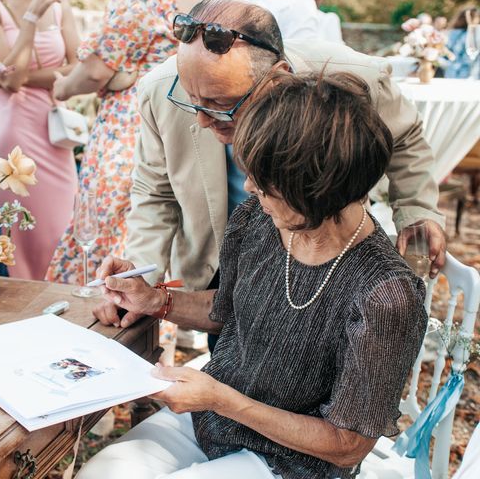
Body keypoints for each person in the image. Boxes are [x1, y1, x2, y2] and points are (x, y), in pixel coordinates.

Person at [82, 70, 428, 479]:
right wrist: (155, 300)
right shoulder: (257, 221)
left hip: (293, 461)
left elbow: (346, 445)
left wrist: (222, 400)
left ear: (316, 193)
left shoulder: (385, 295)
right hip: (214, 418)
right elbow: (227, 308)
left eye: (266, 186)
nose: (248, 188)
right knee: (103, 472)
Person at [95, 0, 446, 339]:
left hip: (324, 257)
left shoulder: (353, 78)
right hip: (221, 261)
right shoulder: (159, 90)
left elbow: (404, 139)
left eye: (221, 104)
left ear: (277, 79)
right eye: (191, 101)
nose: (202, 120)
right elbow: (155, 192)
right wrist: (140, 281)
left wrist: (416, 209)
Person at [45, 0, 199, 361]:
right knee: (156, 243)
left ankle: (86, 354)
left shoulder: (137, 8)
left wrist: (64, 86)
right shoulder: (186, 7)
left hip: (125, 135)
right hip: (171, 126)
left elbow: (95, 73)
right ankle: (153, 355)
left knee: (106, 237)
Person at [0, 0, 81, 280]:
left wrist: (25, 77)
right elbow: (10, 81)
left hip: (55, 134)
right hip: (14, 133)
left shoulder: (61, 8)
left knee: (61, 223)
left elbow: (79, 68)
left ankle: (62, 298)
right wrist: (32, 18)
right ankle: (22, 306)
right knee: (18, 227)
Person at [445, 7, 480, 79]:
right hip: (456, 72)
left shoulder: (477, 32)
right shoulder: (455, 33)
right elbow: (449, 51)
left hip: (474, 72)